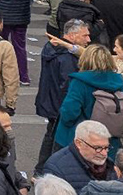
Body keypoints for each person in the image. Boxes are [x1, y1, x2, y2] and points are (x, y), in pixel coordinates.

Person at [55, 44, 123, 159]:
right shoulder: (119, 82)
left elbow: (69, 112)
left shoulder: (80, 82)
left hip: (78, 140)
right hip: (108, 141)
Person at [36, 19, 90, 172]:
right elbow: (68, 85)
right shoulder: (68, 57)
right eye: (85, 35)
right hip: (61, 105)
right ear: (72, 36)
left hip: (49, 101)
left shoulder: (51, 49)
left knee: (50, 136)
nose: (88, 39)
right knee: (58, 141)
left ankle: (40, 170)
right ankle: (49, 171)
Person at [45, 119, 120, 194]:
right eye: (98, 148)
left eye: (106, 147)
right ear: (79, 143)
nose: (104, 154)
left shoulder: (109, 164)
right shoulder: (56, 168)